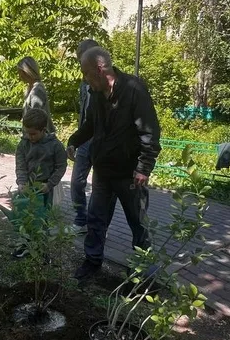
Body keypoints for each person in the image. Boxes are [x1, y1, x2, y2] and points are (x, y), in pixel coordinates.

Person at [67, 47, 161, 281]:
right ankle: (92, 262)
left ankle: (142, 272)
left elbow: (150, 132)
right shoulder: (97, 94)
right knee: (96, 219)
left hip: (129, 174)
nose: (84, 79)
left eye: (86, 73)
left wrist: (144, 167)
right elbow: (90, 124)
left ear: (99, 70)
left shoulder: (133, 89)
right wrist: (74, 141)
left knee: (138, 223)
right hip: (103, 171)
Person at [11, 108, 67, 259]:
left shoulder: (55, 145)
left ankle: (42, 249)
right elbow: (20, 164)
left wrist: (49, 184)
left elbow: (61, 166)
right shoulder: (23, 144)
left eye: (33, 134)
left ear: (43, 130)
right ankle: (24, 245)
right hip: (27, 187)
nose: (30, 136)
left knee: (42, 220)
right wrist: (22, 182)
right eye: (27, 133)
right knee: (25, 217)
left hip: (45, 189)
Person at [70, 39, 99, 233]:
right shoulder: (84, 82)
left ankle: (96, 225)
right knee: (76, 182)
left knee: (99, 187)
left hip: (101, 141)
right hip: (85, 140)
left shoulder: (105, 82)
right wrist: (76, 139)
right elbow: (85, 114)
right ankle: (81, 219)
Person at [16, 57, 55, 133]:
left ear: (26, 72)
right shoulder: (30, 88)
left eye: (19, 72)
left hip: (39, 137)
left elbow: (35, 119)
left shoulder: (37, 90)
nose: (19, 76)